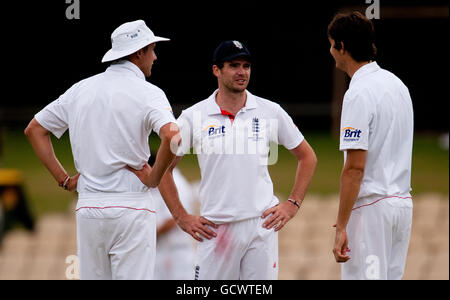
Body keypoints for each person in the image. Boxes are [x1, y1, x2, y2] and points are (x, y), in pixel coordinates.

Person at [24, 20, 215, 280]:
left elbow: (34, 130)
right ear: (138, 53)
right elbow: (172, 135)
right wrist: (154, 177)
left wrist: (64, 180)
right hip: (132, 206)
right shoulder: (149, 93)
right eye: (152, 49)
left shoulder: (80, 90)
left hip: (89, 208)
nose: (155, 57)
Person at [167, 40, 317, 280]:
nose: (242, 72)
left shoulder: (270, 111)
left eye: (246, 65)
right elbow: (164, 170)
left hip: (262, 226)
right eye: (234, 65)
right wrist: (181, 217)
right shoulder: (193, 116)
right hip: (216, 229)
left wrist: (292, 205)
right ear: (216, 70)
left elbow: (307, 156)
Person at [328, 12, 414, 280]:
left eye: (332, 44)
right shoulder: (397, 85)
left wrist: (341, 226)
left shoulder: (358, 92)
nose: (331, 51)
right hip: (402, 204)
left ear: (342, 47)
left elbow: (354, 168)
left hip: (372, 209)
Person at [148, 154, 197, 280]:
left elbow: (172, 220)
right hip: (162, 250)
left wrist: (151, 234)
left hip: (178, 251)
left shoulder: (178, 183)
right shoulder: (157, 186)